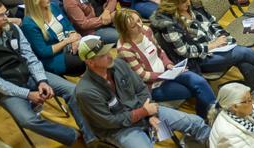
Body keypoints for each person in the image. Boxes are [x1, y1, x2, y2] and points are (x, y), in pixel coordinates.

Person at [0, 0, 93, 145]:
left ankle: (90, 137)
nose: (6, 18)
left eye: (6, 13)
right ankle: (71, 136)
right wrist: (27, 94)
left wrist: (42, 80)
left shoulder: (13, 29)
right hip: (8, 89)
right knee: (27, 120)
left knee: (72, 90)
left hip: (29, 75)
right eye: (0, 16)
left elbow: (30, 57)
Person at [74, 34, 211, 146]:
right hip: (120, 129)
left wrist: (150, 116)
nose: (110, 55)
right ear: (90, 62)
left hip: (145, 113)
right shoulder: (85, 92)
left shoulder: (119, 64)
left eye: (108, 50)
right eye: (103, 55)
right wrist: (144, 112)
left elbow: (141, 89)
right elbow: (111, 122)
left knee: (195, 123)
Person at [151, 0, 254, 88]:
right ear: (173, 3)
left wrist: (223, 38)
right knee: (244, 53)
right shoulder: (168, 24)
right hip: (200, 59)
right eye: (184, 1)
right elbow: (184, 51)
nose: (188, 3)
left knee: (244, 58)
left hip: (217, 45)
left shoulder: (193, 6)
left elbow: (212, 22)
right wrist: (211, 45)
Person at [115, 8, 216, 119]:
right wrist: (164, 75)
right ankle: (206, 117)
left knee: (199, 81)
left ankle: (211, 115)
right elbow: (142, 75)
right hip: (153, 85)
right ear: (124, 30)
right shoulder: (125, 49)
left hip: (168, 72)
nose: (139, 26)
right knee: (189, 90)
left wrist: (168, 64)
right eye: (133, 26)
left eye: (139, 20)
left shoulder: (146, 30)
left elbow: (160, 51)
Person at [19, 0, 84, 76]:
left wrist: (73, 35)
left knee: (95, 46)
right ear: (35, 0)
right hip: (54, 57)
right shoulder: (29, 24)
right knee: (81, 61)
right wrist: (67, 41)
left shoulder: (53, 7)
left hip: (69, 45)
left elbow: (68, 25)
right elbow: (44, 52)